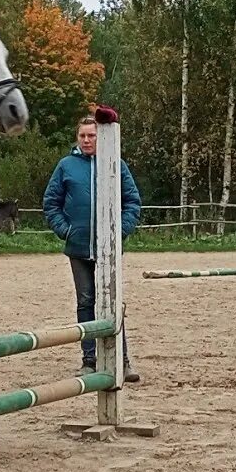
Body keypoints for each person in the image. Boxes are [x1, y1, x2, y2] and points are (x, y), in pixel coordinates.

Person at [42, 112, 142, 384]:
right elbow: (51, 203)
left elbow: (132, 201)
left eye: (92, 135)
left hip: (109, 250)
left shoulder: (115, 164)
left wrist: (119, 231)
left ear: (100, 137)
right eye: (83, 136)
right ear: (77, 138)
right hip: (78, 247)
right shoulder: (66, 166)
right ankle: (89, 360)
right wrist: (66, 229)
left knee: (112, 303)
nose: (87, 140)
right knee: (85, 302)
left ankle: (122, 360)